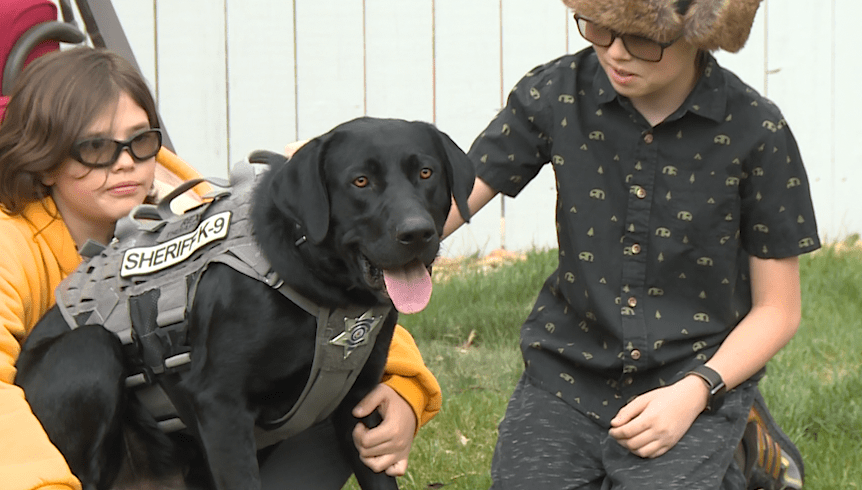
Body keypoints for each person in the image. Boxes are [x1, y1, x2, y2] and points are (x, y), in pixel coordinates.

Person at [0, 46, 439, 489]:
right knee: (89, 356)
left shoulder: (197, 215)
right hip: (82, 446)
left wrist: (404, 388)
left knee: (324, 398)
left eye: (141, 141)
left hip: (181, 437)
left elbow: (319, 311)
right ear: (45, 157)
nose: (126, 161)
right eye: (95, 147)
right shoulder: (8, 244)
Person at [443, 0, 814, 488]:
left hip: (693, 376)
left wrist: (695, 393)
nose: (615, 53)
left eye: (641, 39)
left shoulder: (758, 132)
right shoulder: (555, 92)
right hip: (565, 372)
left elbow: (778, 311)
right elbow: (452, 204)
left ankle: (743, 443)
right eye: (598, 29)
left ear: (698, 34)